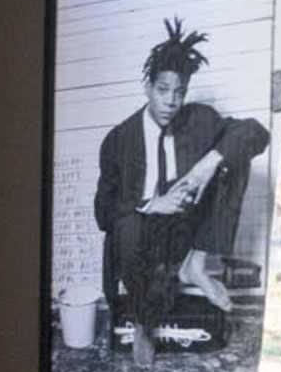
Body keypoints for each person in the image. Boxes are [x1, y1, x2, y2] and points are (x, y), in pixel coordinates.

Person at [94, 18, 270, 350]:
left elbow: (256, 133)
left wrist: (207, 165)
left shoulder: (199, 120)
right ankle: (144, 322)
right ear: (147, 87)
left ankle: (195, 266)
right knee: (127, 222)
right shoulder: (118, 140)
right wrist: (150, 204)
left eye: (179, 92)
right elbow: (103, 213)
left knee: (232, 154)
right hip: (142, 242)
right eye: (163, 90)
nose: (171, 102)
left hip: (189, 234)